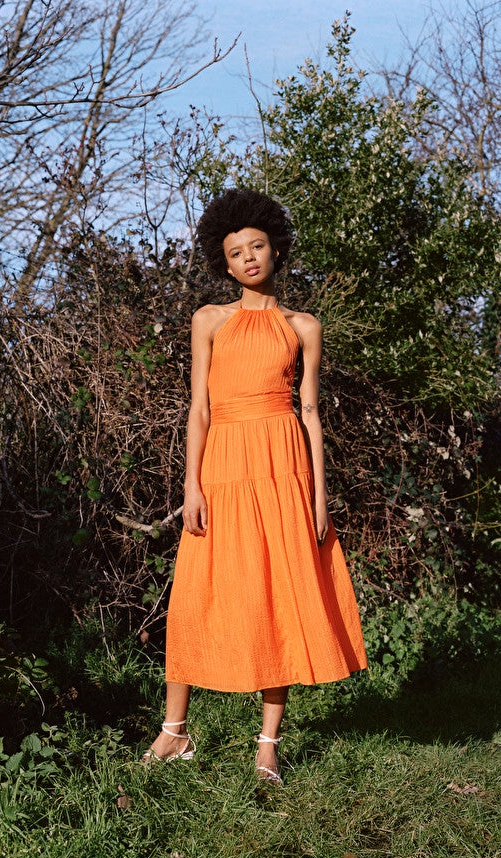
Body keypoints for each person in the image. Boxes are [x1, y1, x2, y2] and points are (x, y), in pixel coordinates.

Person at [143, 189, 367, 783]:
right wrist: (190, 483)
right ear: (224, 262)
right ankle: (175, 732)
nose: (248, 258)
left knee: (279, 596)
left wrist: (319, 497)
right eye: (235, 252)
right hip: (223, 465)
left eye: (257, 247)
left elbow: (312, 413)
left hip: (284, 467)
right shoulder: (209, 320)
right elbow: (198, 410)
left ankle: (267, 743)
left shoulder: (303, 326)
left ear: (275, 249)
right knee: (197, 591)